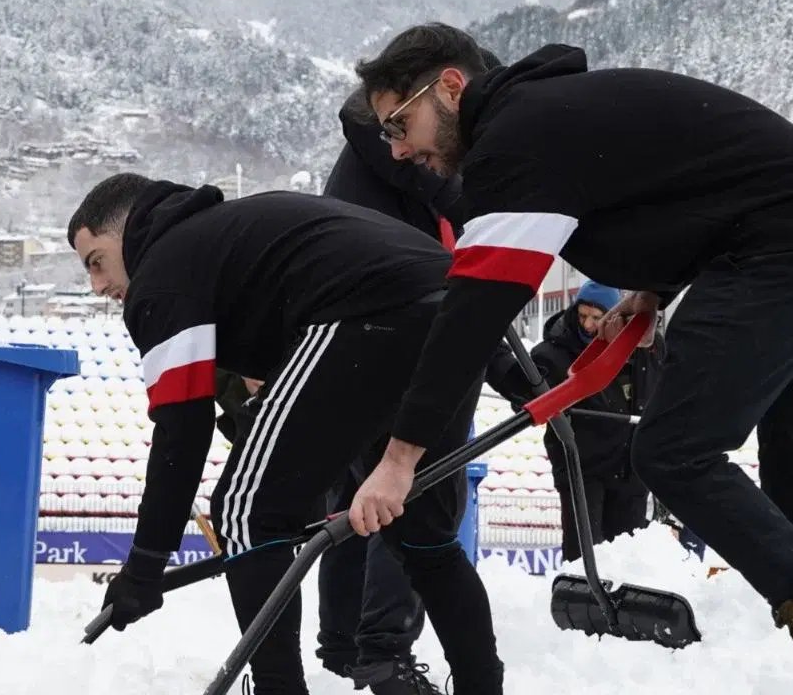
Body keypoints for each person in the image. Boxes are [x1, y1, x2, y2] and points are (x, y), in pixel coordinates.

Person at [345, 23, 793, 694]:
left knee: (673, 452)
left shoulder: (514, 141)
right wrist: (653, 289)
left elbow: (471, 317)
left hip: (785, 244)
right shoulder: (553, 114)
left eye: (400, 123)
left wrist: (399, 461)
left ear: (451, 87)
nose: (397, 150)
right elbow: (693, 184)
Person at [67, 173, 502, 695]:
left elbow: (182, 428)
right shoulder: (221, 236)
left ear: (128, 230)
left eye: (96, 262)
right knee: (422, 536)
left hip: (367, 313)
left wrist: (143, 567)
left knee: (246, 511)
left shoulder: (162, 271)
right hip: (453, 310)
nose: (97, 287)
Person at [312, 70, 500, 692]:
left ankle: (345, 646)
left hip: (363, 334)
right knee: (411, 506)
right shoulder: (406, 157)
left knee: (356, 498)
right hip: (407, 331)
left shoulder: (380, 156)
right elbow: (460, 255)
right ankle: (382, 650)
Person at [496, 280, 662, 559]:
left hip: (631, 470)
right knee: (584, 554)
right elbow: (526, 397)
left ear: (615, 317)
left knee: (628, 556)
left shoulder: (646, 348)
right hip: (581, 470)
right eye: (583, 315)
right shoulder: (553, 353)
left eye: (597, 318)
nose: (587, 325)